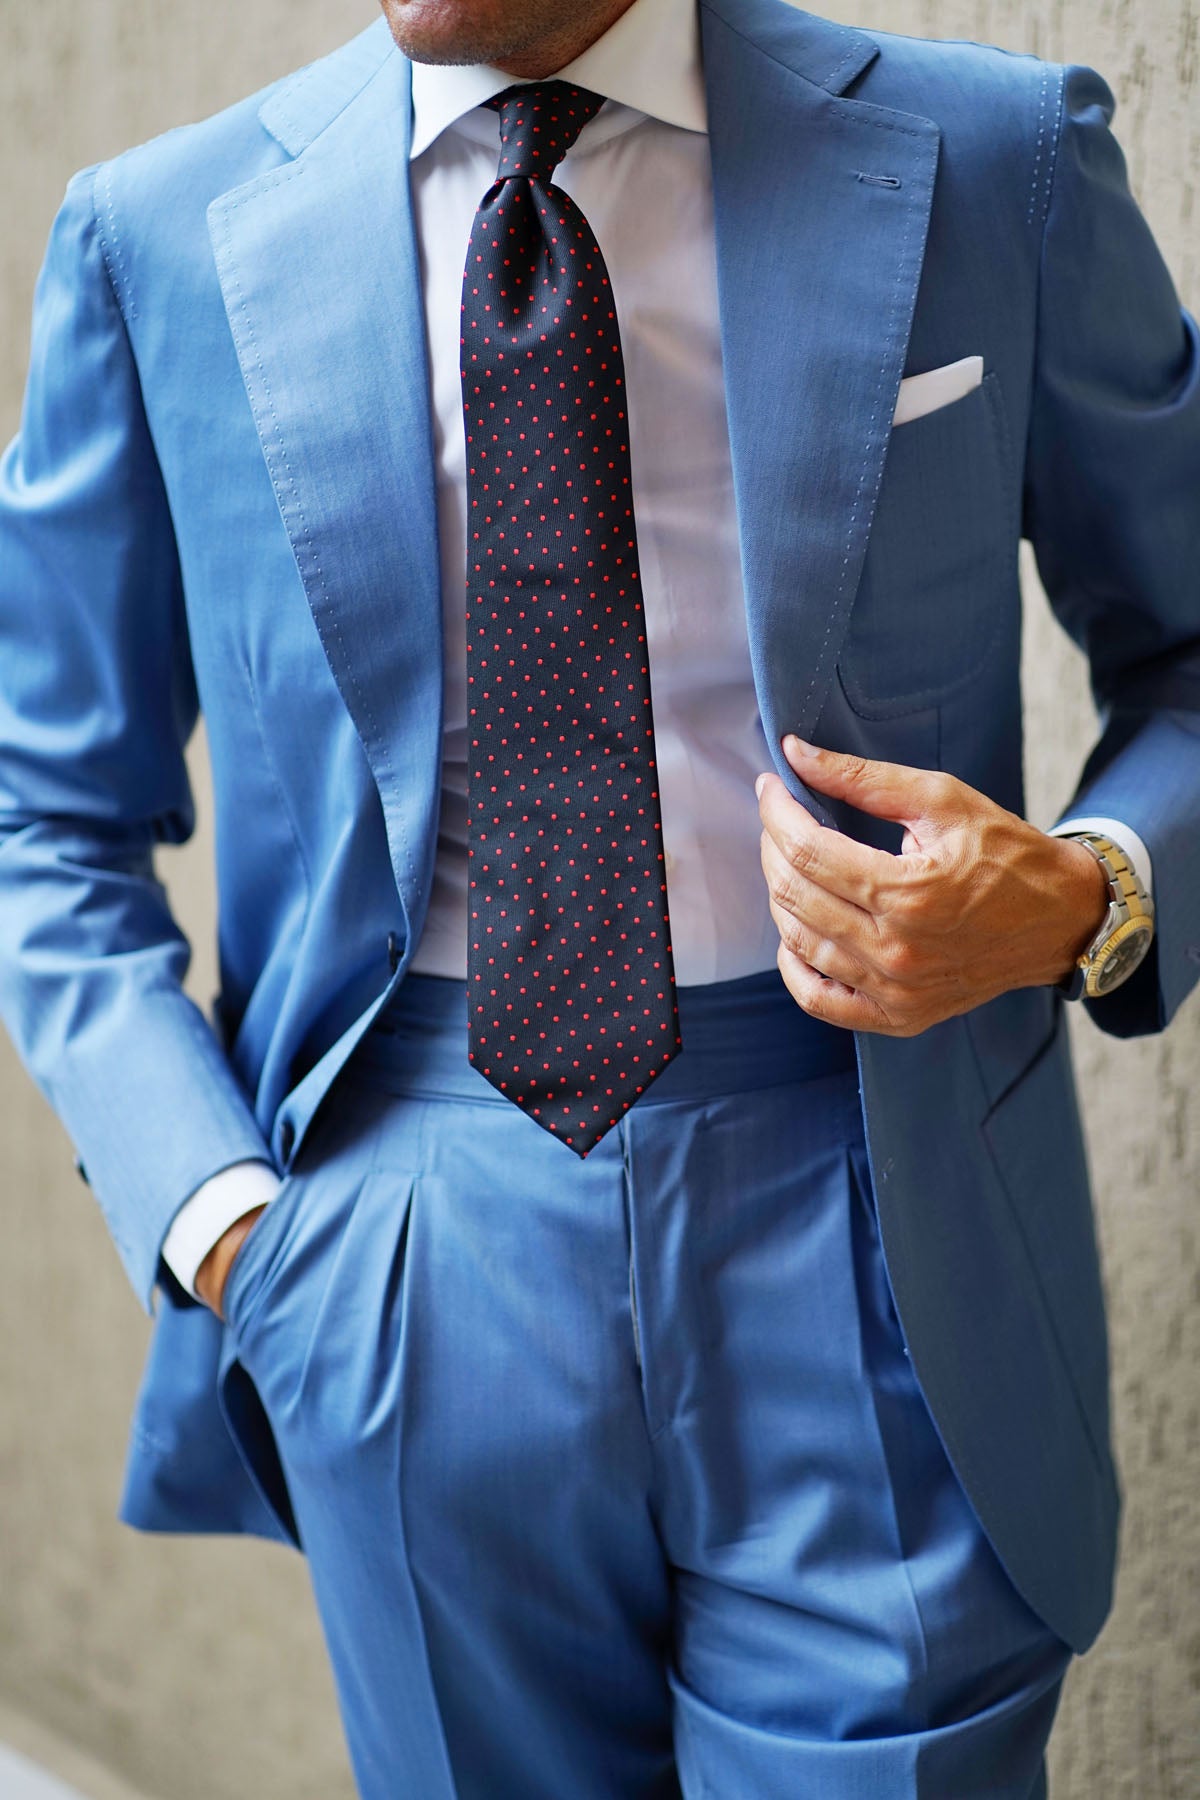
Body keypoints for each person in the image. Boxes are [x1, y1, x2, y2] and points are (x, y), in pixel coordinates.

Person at [0, 0, 1196, 1791]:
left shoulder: (991, 156)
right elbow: (46, 808)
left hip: (878, 1209)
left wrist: (1089, 891)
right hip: (402, 1243)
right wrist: (231, 1227)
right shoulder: (157, 238)